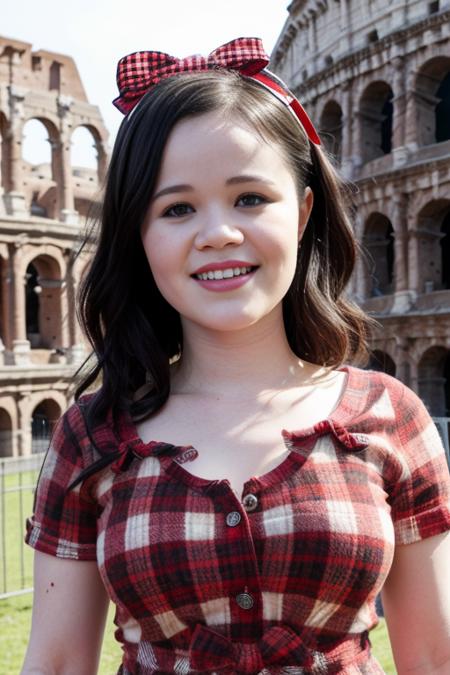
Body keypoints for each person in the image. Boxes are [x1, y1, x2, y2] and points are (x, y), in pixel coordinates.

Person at [22, 37, 450, 675]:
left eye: (250, 198)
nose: (217, 233)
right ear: (140, 236)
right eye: (177, 208)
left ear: (303, 212)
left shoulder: (388, 416)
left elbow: (437, 657)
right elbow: (56, 661)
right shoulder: (92, 435)